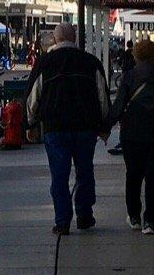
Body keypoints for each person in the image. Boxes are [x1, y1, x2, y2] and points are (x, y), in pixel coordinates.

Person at [24, 23, 110, 236]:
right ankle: (84, 214)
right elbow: (102, 97)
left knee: (59, 176)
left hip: (55, 126)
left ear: (54, 40)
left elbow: (33, 97)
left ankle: (62, 221)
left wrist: (31, 123)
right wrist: (104, 125)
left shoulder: (45, 63)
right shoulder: (91, 62)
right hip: (85, 127)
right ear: (75, 39)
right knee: (85, 171)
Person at [104, 37, 154, 234]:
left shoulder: (129, 77)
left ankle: (134, 216)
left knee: (134, 175)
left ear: (136, 54)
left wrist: (104, 127)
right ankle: (150, 219)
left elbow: (119, 106)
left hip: (133, 133)